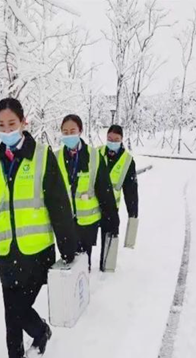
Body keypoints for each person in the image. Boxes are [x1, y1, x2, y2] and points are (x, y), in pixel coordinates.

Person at [0, 98, 77, 358]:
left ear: (24, 123)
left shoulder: (41, 156)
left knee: (19, 308)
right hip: (7, 251)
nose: (6, 130)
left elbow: (58, 203)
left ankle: (40, 332)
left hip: (37, 252)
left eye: (11, 124)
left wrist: (68, 248)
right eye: (1, 125)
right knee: (10, 309)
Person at [56, 114, 119, 271]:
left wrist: (112, 219)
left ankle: (82, 290)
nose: (69, 135)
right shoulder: (55, 157)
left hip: (87, 222)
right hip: (65, 221)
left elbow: (105, 190)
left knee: (84, 261)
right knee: (67, 262)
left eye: (72, 131)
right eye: (65, 132)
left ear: (80, 131)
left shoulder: (94, 156)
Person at [99, 125, 139, 270]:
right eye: (110, 138)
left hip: (110, 209)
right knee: (84, 247)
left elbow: (131, 192)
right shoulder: (96, 153)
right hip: (91, 208)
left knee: (110, 242)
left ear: (122, 140)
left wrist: (133, 214)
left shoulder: (127, 161)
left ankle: (107, 273)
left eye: (116, 139)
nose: (112, 142)